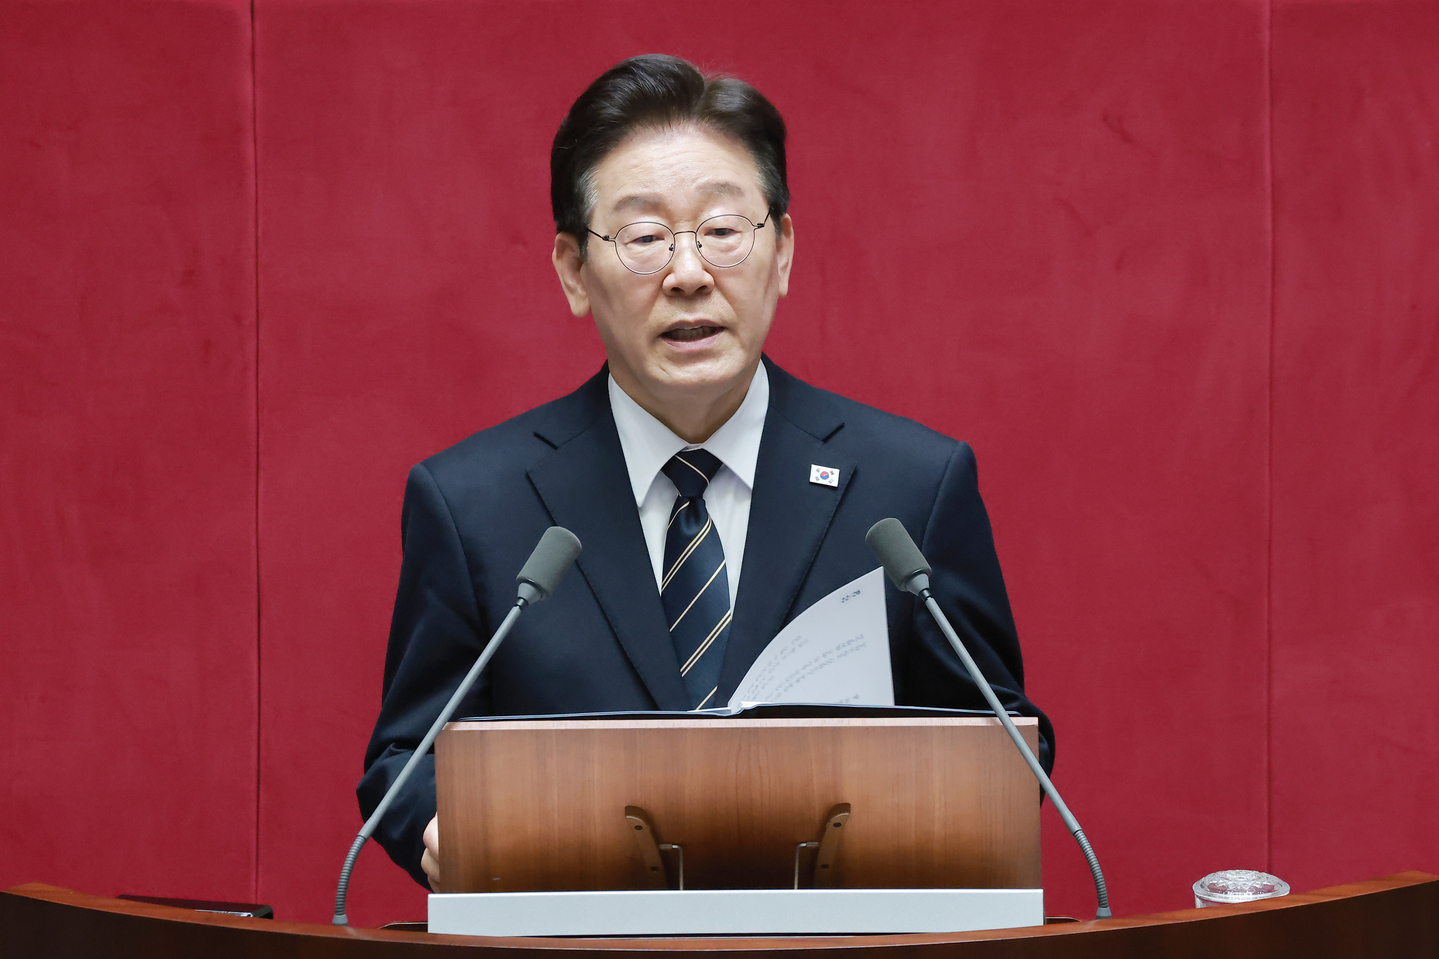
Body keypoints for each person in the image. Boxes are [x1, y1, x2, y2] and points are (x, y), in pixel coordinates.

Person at [358, 54, 1053, 891]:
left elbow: (1004, 743)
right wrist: (441, 821)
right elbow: (403, 760)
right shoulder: (474, 503)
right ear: (574, 271)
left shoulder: (910, 488)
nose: (688, 273)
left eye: (722, 231)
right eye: (645, 237)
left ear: (782, 250)